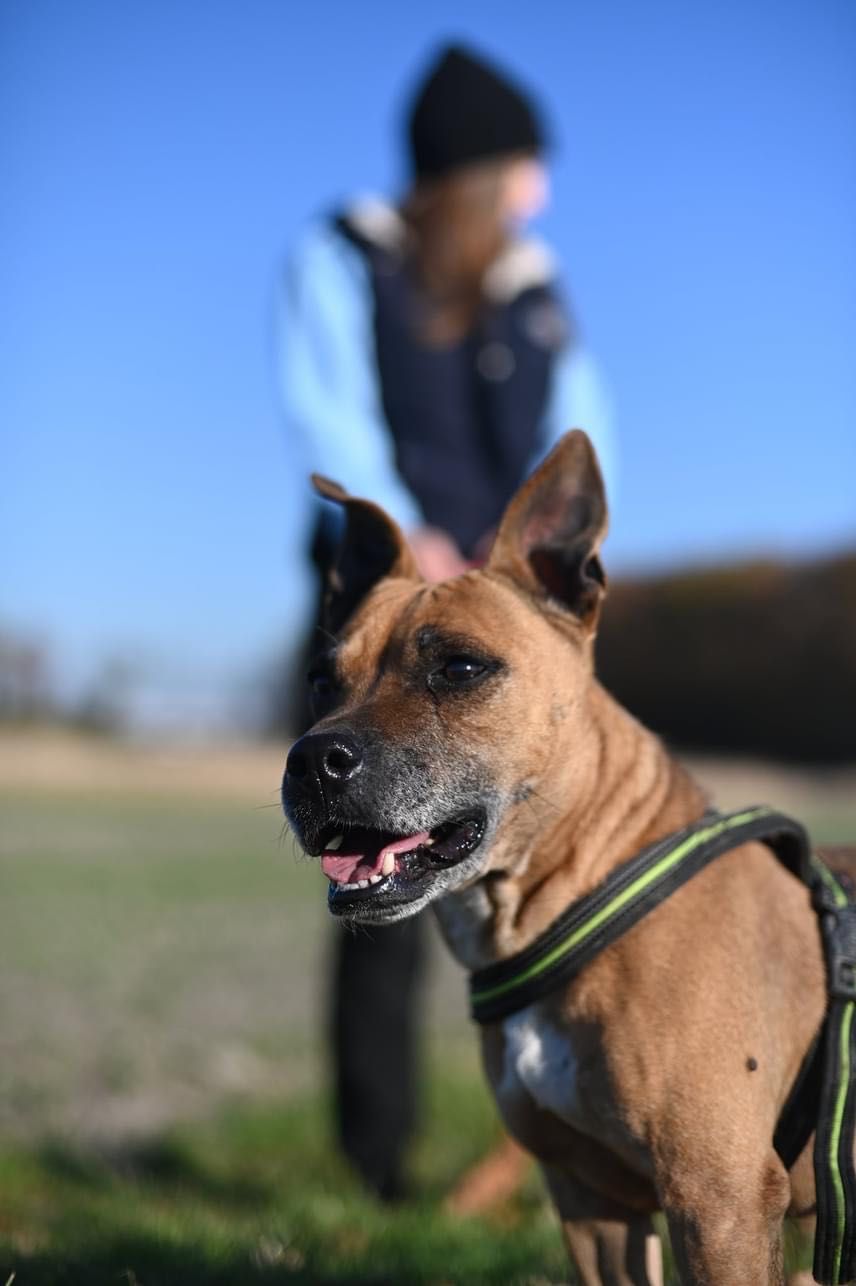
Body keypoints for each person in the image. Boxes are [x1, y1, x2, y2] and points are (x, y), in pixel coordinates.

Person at [277, 41, 615, 1201]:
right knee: (364, 859)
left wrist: (515, 585)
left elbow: (583, 431)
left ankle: (581, 1116)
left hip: (504, 628)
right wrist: (418, 549)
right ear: (478, 168)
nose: (541, 191)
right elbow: (326, 407)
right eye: (528, 165)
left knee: (575, 862)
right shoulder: (345, 258)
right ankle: (377, 1161)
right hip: (383, 599)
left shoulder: (536, 287)